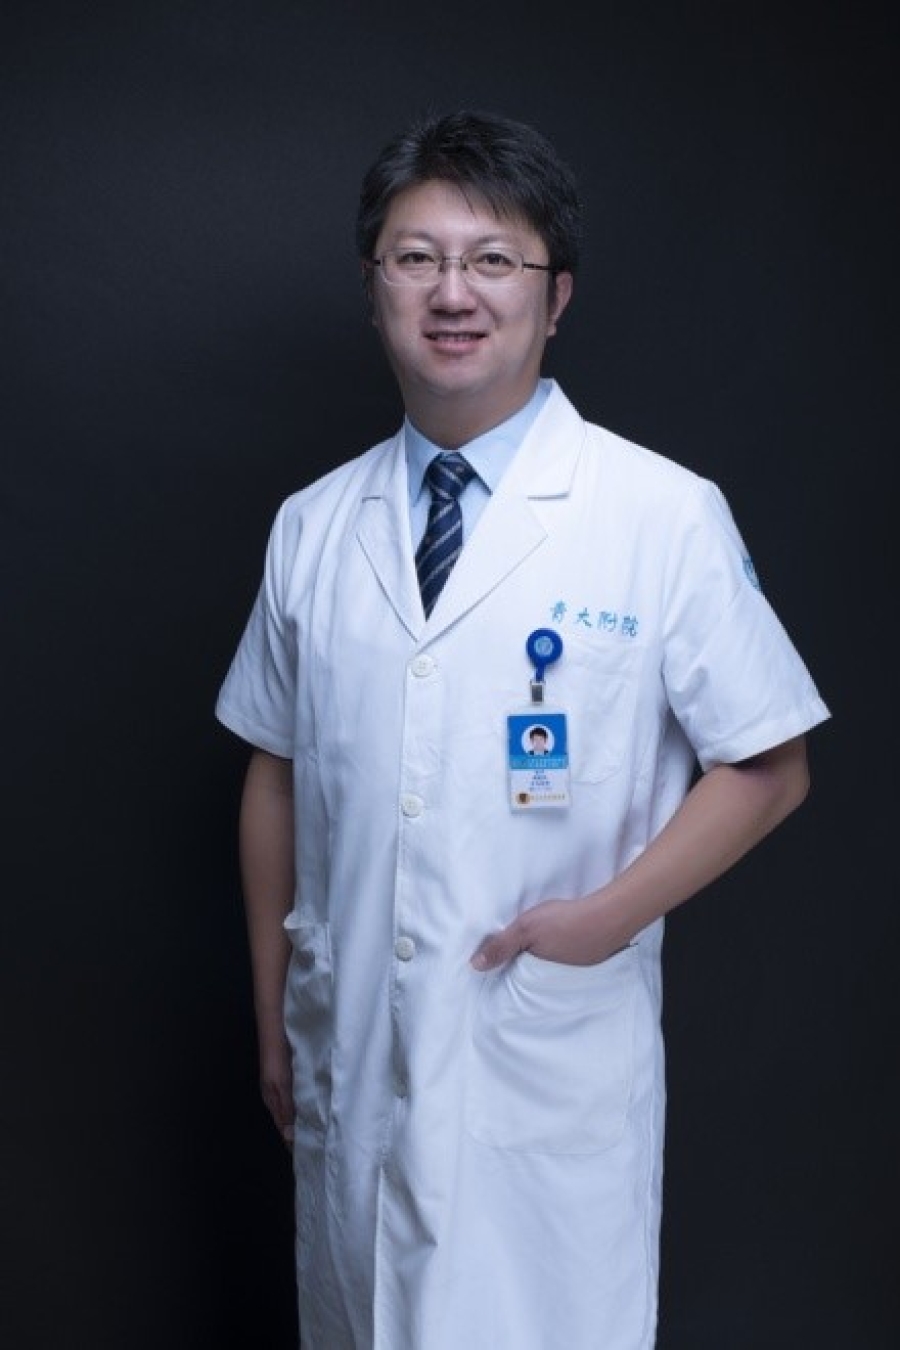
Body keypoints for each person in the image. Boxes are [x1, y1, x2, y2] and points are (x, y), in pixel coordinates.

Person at [215, 109, 830, 1350]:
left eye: (493, 260)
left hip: (542, 1058)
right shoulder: (313, 526)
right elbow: (274, 769)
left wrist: (607, 919)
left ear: (555, 300)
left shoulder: (658, 513)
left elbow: (770, 764)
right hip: (353, 1056)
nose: (454, 293)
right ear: (376, 288)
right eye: (417, 258)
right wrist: (277, 1008)